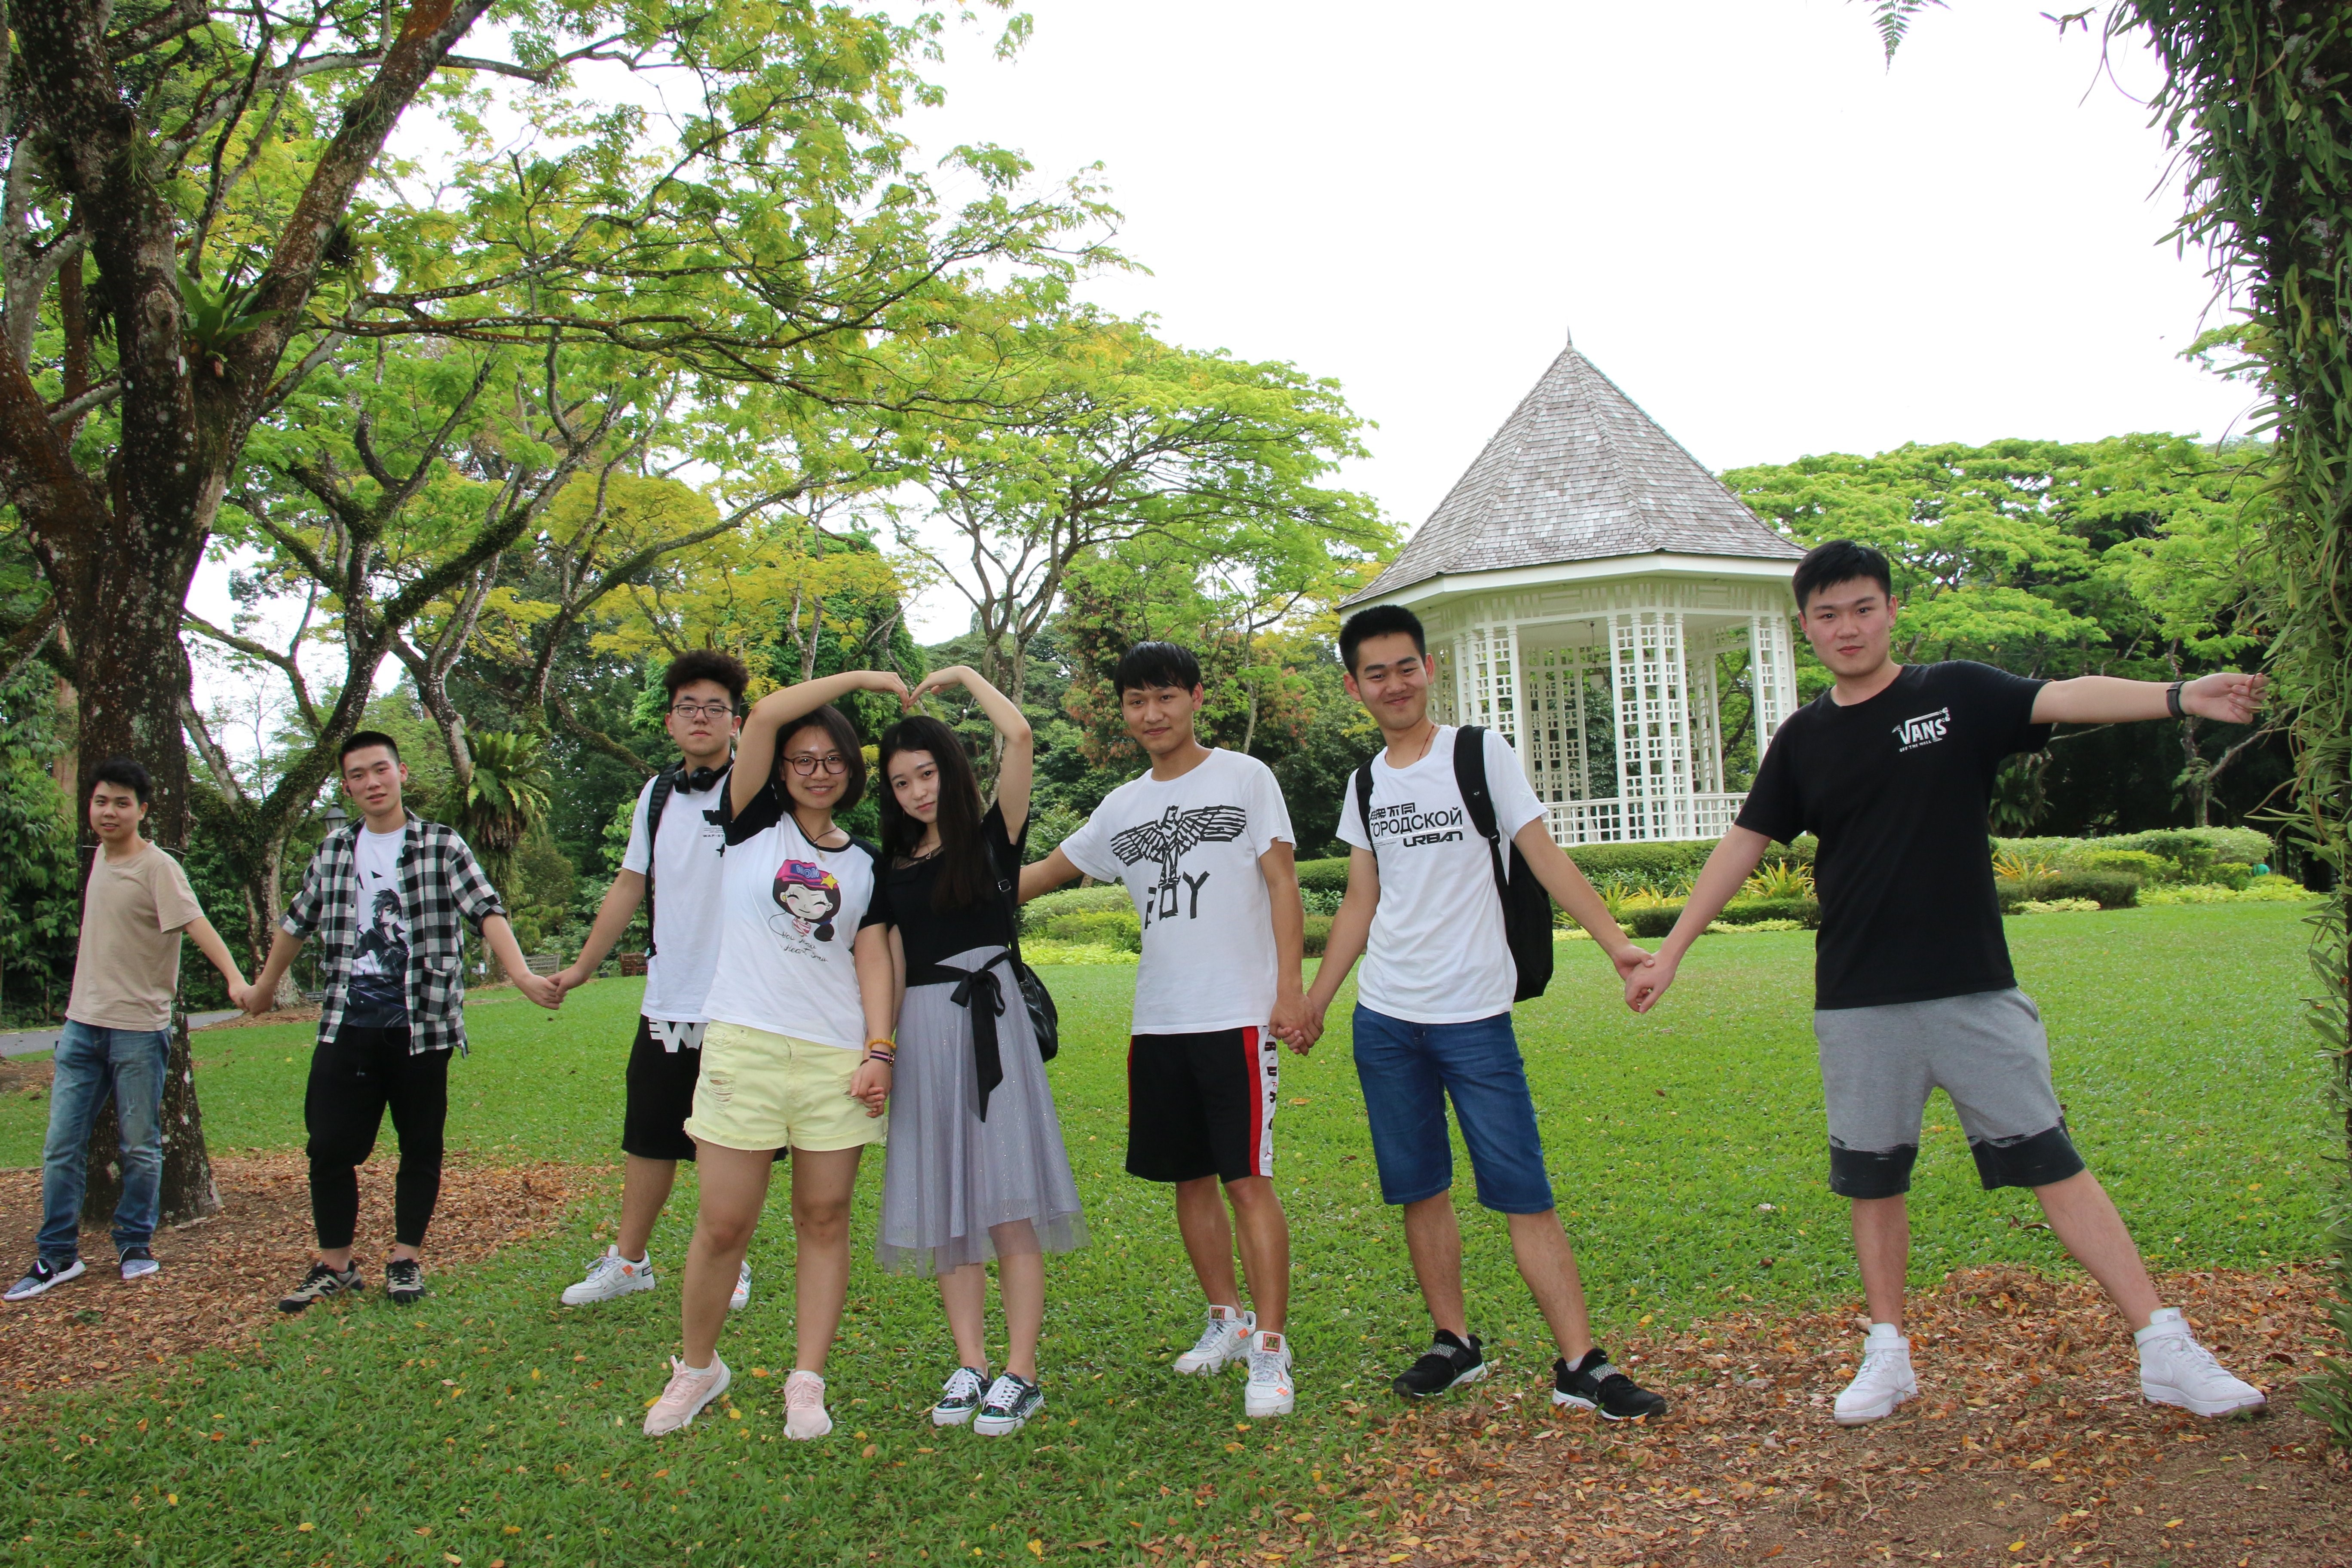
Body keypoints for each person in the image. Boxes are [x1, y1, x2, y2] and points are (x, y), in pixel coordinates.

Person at [1625, 539, 2271, 1424]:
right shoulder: (1803, 738)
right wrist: (1672, 950)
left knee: (2052, 1161)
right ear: (1805, 626)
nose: (1847, 628)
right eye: (1827, 615)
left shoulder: (1955, 694)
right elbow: (1744, 842)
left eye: (1863, 608)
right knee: (1872, 1177)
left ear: (1892, 610)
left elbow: (2063, 696)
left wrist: (2179, 696)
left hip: (1973, 988)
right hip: (1858, 997)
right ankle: (1887, 1354)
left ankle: (2164, 1347)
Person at [1297, 606, 1671, 1420]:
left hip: (1472, 1014)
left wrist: (1616, 945)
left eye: (1406, 667)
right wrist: (1317, 1000)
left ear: (1429, 669)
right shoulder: (1366, 784)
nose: (1394, 684)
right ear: (1355, 687)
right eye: (1375, 673)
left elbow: (1543, 854)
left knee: (1521, 1187)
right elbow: (1361, 900)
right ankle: (1453, 1342)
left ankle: (1581, 1363)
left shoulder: (1477, 752)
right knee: (1420, 1187)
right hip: (1385, 1017)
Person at [1019, 641, 1310, 1421]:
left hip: (1235, 1016)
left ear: (1196, 697)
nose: (1152, 713)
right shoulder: (1121, 806)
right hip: (1160, 1020)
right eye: (1136, 701)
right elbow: (1046, 872)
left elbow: (1283, 882)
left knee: (1246, 1180)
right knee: (1188, 1178)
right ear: (1123, 710)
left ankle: (1270, 1344)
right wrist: (954, 889)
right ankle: (1227, 1317)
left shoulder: (1245, 778)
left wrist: (1289, 991)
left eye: (1166, 696)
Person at [641, 671, 903, 1441]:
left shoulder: (868, 863)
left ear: (852, 771)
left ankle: (807, 1378)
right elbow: (760, 719)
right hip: (743, 1046)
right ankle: (698, 1367)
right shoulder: (750, 822)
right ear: (781, 769)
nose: (818, 771)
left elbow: (874, 959)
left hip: (834, 1057)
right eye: (803, 759)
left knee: (823, 1217)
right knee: (723, 1224)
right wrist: (864, 679)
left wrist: (880, 1049)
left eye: (833, 759)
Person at [244, 732, 563, 1312]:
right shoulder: (335, 851)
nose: (372, 783)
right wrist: (265, 987)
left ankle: (405, 1257)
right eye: (358, 775)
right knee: (329, 1145)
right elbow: (297, 921)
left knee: (420, 1144)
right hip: (347, 1023)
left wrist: (520, 975)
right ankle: (335, 1264)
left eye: (380, 770)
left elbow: (485, 909)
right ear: (347, 787)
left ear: (401, 773)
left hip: (424, 1024)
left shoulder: (440, 845)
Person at [872, 669, 1087, 1436]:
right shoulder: (889, 866)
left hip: (993, 1022)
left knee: (1008, 1203)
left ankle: (1020, 1371)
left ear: (951, 771)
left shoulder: (994, 836)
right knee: (947, 1207)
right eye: (901, 782)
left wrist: (963, 675)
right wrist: (882, 1047)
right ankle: (970, 1362)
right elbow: (889, 959)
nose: (917, 792)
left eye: (927, 773)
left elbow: (1020, 736)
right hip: (925, 1032)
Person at [4, 757, 254, 1301]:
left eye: (122, 803)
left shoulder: (158, 867)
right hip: (81, 1027)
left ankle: (135, 1244)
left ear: (142, 810)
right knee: (61, 1146)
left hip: (139, 1030)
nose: (109, 812)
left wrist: (235, 979)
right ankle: (57, 1256)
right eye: (101, 801)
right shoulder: (98, 856)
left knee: (139, 1146)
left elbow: (196, 922)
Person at [553, 651, 753, 1312]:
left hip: (741, 998)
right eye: (688, 707)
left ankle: (732, 1258)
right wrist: (582, 967)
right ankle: (630, 1261)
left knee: (731, 1135)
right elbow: (629, 884)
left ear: (737, 722)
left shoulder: (757, 786)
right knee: (649, 1134)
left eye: (716, 707)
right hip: (669, 995)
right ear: (669, 721)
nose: (701, 718)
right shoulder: (656, 795)